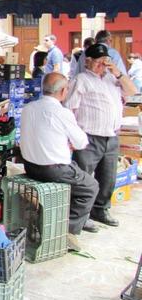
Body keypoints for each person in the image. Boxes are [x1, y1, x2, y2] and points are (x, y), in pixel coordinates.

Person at [20, 73, 99, 251]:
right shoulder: (61, 112)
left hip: (30, 166)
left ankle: (59, 219)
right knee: (90, 186)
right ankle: (68, 231)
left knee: (75, 171)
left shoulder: (28, 107)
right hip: (53, 170)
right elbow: (81, 142)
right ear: (63, 91)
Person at [65, 43, 137, 227]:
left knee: (108, 177)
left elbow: (133, 92)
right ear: (88, 61)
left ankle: (100, 209)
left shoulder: (112, 79)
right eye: (97, 62)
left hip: (111, 136)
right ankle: (82, 216)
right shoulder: (81, 79)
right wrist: (73, 137)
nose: (101, 65)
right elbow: (69, 109)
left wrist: (119, 73)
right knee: (85, 178)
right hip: (89, 136)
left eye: (104, 61)